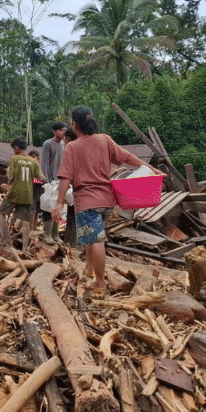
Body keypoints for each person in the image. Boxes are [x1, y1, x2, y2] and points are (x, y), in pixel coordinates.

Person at [53, 107, 160, 293]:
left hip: (87, 201)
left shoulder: (72, 147)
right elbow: (127, 157)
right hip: (107, 201)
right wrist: (150, 167)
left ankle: (100, 282)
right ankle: (89, 268)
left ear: (74, 125)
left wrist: (58, 203)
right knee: (91, 236)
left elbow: (65, 177)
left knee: (97, 240)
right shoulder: (105, 140)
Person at [0, 136, 42, 249]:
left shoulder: (14, 159)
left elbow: (10, 177)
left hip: (14, 192)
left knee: (1, 212)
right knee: (26, 221)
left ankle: (4, 239)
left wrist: (9, 183)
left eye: (14, 149)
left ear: (17, 148)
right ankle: (25, 247)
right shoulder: (34, 161)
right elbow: (42, 178)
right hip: (27, 195)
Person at [40, 121, 69, 244]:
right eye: (61, 130)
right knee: (48, 207)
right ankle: (47, 235)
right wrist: (47, 181)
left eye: (64, 130)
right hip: (50, 181)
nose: (63, 132)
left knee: (58, 207)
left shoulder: (63, 144)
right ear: (55, 131)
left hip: (60, 181)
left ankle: (55, 234)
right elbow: (45, 164)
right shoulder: (48, 144)